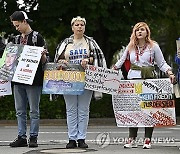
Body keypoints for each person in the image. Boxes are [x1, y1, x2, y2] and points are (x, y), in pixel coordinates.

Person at [113, 22, 175, 149]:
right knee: (133, 109)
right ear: (134, 33)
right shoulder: (130, 47)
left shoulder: (153, 47)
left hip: (149, 80)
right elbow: (120, 61)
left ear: (147, 32)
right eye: (137, 30)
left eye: (142, 30)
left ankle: (147, 139)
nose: (139, 32)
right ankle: (132, 138)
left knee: (149, 109)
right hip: (133, 80)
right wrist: (112, 70)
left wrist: (169, 72)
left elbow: (161, 63)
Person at [54, 16, 106, 149]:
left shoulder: (90, 42)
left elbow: (98, 59)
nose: (79, 27)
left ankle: (81, 138)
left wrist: (88, 60)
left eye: (82, 24)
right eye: (77, 25)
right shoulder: (65, 43)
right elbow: (57, 60)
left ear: (85, 27)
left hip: (86, 79)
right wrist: (61, 62)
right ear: (72, 27)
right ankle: (72, 138)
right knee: (71, 109)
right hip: (68, 80)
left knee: (83, 109)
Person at [9, 11, 48, 148]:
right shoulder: (15, 39)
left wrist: (42, 55)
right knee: (19, 110)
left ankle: (33, 137)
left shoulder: (38, 37)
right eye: (15, 26)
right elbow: (10, 60)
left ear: (24, 22)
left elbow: (45, 61)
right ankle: (21, 136)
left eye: (17, 25)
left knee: (33, 110)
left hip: (34, 80)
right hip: (18, 79)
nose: (16, 28)